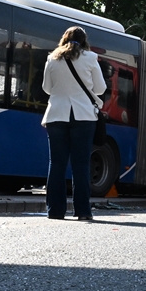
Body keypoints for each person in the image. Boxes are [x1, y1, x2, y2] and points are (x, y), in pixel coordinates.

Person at [41, 26, 106, 220]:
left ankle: (55, 211)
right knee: (81, 164)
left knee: (56, 164)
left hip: (56, 115)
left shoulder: (52, 58)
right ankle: (83, 212)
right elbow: (101, 88)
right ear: (85, 41)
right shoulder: (91, 58)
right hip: (83, 116)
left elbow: (46, 88)